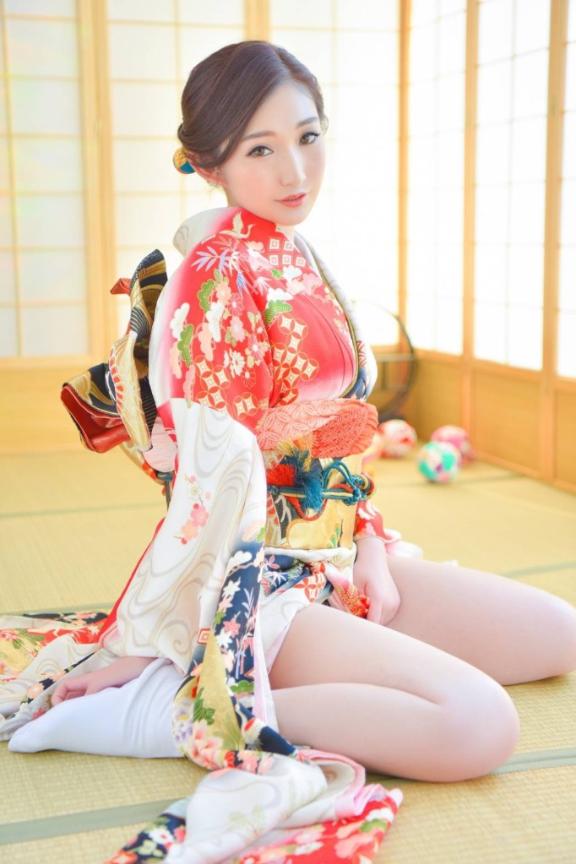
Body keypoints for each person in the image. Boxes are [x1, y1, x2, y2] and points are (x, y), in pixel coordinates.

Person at [3, 39, 576, 864]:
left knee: (557, 635)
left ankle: (324, 666)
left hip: (339, 551)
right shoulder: (212, 277)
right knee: (481, 726)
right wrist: (149, 636)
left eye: (308, 137)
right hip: (259, 575)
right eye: (260, 150)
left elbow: (336, 448)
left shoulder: (296, 252)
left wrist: (370, 544)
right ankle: (189, 704)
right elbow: (211, 475)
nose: (294, 170)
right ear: (208, 164)